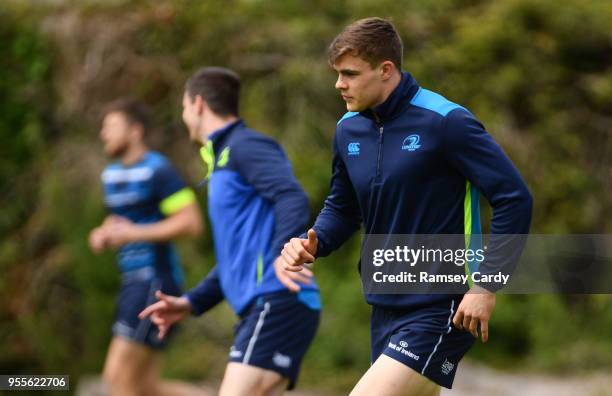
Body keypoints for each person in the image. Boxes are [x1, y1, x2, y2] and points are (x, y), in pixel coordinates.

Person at [279, 17, 533, 396]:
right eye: (337, 74)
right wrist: (314, 242)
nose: (339, 84)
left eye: (350, 73)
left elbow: (515, 198)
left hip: (443, 305)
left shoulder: (446, 122)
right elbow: (344, 207)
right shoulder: (347, 129)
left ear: (386, 70)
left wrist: (486, 285)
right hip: (384, 304)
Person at [139, 67, 321, 396]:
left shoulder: (246, 146)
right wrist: (192, 302)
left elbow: (291, 196)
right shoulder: (222, 159)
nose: (183, 116)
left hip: (277, 301)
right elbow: (236, 258)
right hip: (264, 306)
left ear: (197, 104)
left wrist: (285, 253)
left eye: (182, 107)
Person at [89, 98, 203, 396]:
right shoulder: (110, 176)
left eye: (111, 126)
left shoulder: (158, 171)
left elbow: (190, 223)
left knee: (115, 379)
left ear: (135, 131)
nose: (104, 133)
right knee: (143, 387)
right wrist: (104, 233)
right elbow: (125, 222)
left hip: (154, 281)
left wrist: (132, 233)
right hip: (132, 282)